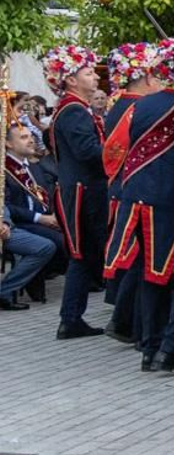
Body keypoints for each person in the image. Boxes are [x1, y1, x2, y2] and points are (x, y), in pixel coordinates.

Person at [105, 36, 174, 372]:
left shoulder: (139, 106)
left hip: (137, 198)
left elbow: (119, 149)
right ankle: (171, 348)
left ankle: (149, 348)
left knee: (152, 274)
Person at [41, 43, 107, 339]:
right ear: (70, 79)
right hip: (84, 191)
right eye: (89, 72)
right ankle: (72, 318)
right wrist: (120, 150)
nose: (96, 77)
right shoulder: (74, 111)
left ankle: (71, 318)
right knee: (86, 254)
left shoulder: (73, 108)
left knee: (84, 256)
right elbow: (89, 152)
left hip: (79, 189)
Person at [102, 42, 161, 340]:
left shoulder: (122, 104)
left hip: (124, 188)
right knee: (138, 258)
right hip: (134, 190)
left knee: (136, 258)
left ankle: (125, 320)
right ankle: (125, 321)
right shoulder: (136, 107)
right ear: (147, 77)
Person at [3, 120, 63, 309]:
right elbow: (7, 206)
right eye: (23, 137)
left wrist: (55, 216)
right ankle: (30, 280)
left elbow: (48, 195)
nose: (31, 140)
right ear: (8, 143)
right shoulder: (5, 170)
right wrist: (40, 218)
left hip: (43, 219)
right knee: (58, 243)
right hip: (20, 222)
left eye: (30, 136)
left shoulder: (34, 166)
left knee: (75, 237)